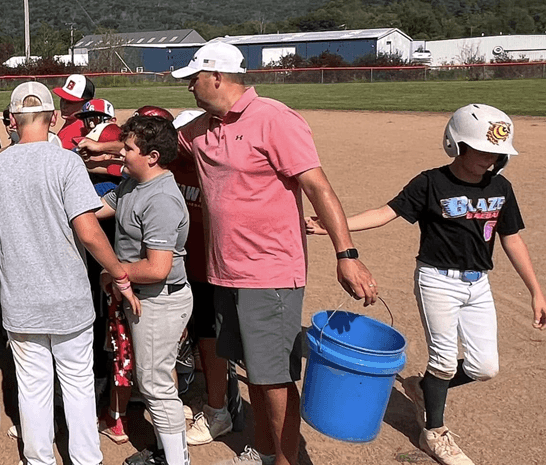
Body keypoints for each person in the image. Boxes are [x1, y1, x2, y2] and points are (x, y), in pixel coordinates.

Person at [308, 104, 546, 465]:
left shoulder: (501, 186)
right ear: (457, 144)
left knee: (485, 368)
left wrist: (537, 292)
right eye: (484, 150)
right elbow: (385, 213)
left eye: (497, 152)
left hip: (478, 283)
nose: (491, 159)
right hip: (437, 280)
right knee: (444, 359)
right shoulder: (430, 182)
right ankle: (434, 432)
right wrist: (335, 226)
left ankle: (423, 387)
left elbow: (511, 238)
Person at [172, 42, 377, 465]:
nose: (189, 87)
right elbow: (159, 147)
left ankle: (287, 459)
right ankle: (264, 450)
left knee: (276, 377)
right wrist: (102, 151)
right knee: (258, 375)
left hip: (269, 273)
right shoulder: (202, 128)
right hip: (224, 271)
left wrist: (347, 253)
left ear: (216, 77)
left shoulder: (274, 119)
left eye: (194, 79)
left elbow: (318, 187)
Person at [0, 81, 139, 465]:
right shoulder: (67, 162)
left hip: (21, 296)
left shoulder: (0, 165)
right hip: (68, 295)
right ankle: (85, 458)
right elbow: (88, 231)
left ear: (14, 120)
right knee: (78, 382)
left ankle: (38, 459)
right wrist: (119, 273)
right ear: (54, 118)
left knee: (32, 387)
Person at [95, 115, 192, 465]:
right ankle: (168, 450)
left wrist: (113, 272)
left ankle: (176, 459)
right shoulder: (133, 184)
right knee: (150, 378)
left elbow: (157, 268)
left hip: (160, 301)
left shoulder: (162, 199)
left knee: (155, 384)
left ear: (152, 156)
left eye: (128, 148)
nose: (121, 152)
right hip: (141, 298)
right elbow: (102, 208)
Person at [168, 109, 237, 446]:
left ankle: (217, 409)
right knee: (179, 336)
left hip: (209, 272)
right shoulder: (169, 167)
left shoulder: (218, 172)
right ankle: (180, 398)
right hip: (178, 269)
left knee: (211, 339)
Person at [53, 74, 96, 150]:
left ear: (86, 104)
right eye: (62, 99)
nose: (64, 105)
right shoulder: (72, 120)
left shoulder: (76, 132)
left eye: (70, 102)